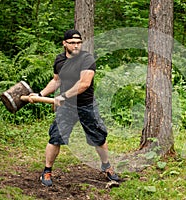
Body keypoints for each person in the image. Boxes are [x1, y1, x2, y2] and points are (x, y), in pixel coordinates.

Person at [29, 29, 119, 187]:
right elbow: (56, 81)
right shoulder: (59, 60)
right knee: (55, 137)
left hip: (86, 105)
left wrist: (63, 96)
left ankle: (107, 167)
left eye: (79, 43)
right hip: (66, 107)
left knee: (98, 138)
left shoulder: (86, 59)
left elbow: (84, 84)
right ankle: (47, 171)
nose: (76, 45)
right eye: (72, 43)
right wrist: (40, 94)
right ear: (64, 44)